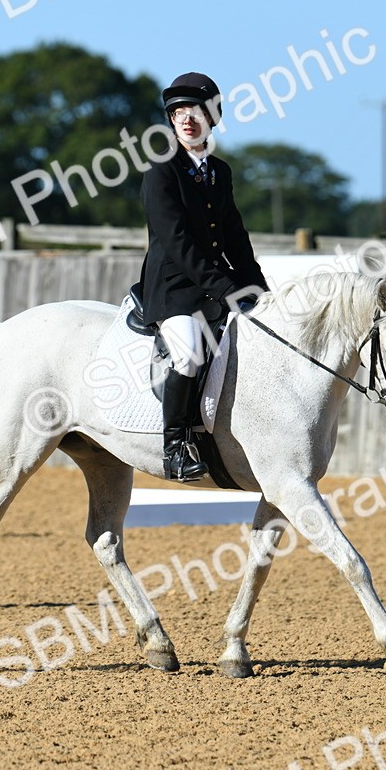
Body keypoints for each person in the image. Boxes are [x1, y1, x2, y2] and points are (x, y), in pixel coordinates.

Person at [135, 72, 269, 482]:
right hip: (174, 290)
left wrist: (258, 287)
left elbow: (234, 235)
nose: (186, 119)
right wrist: (227, 288)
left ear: (213, 117)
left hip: (213, 286)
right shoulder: (161, 172)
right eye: (177, 112)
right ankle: (175, 446)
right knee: (190, 352)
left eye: (195, 111)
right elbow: (178, 244)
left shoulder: (219, 172)